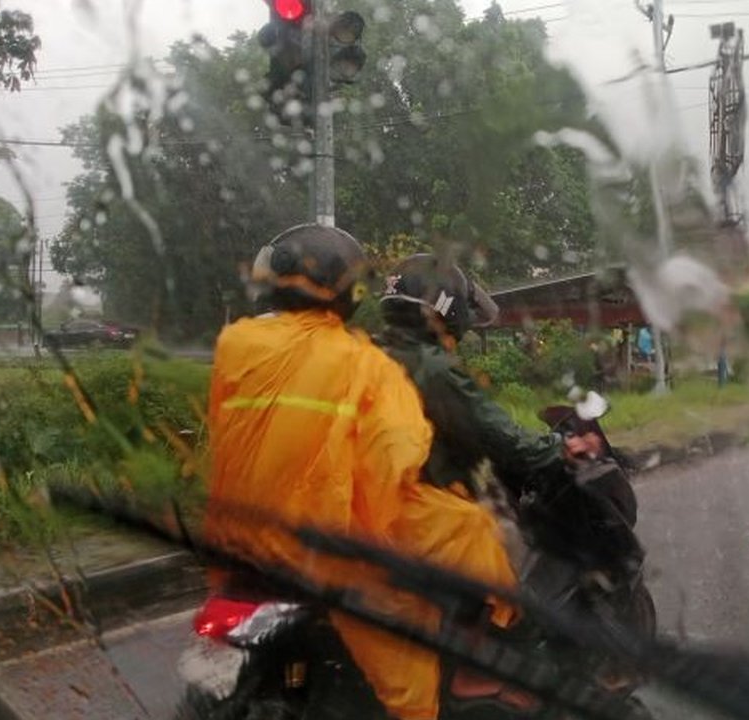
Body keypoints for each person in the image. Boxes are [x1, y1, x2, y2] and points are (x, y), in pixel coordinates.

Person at [205, 225, 518, 720]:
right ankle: (473, 667)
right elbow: (396, 460)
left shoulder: (238, 345)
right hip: (328, 551)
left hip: (239, 535)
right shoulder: (364, 363)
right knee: (467, 536)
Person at [374, 253, 605, 504]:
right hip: (427, 507)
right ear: (446, 306)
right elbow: (496, 433)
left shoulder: (373, 350)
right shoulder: (432, 367)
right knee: (496, 538)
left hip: (378, 500)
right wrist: (561, 447)